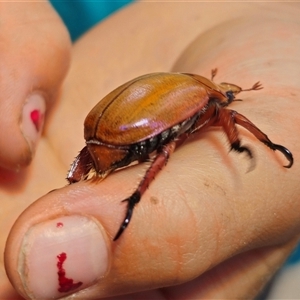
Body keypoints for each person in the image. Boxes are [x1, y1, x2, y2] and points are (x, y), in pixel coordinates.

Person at [1, 1, 300, 299]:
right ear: (220, 95)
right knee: (178, 145)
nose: (228, 101)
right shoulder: (207, 101)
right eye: (228, 96)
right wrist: (243, 143)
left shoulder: (184, 82)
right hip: (128, 135)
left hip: (105, 132)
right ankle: (130, 198)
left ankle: (81, 196)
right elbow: (229, 116)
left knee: (144, 152)